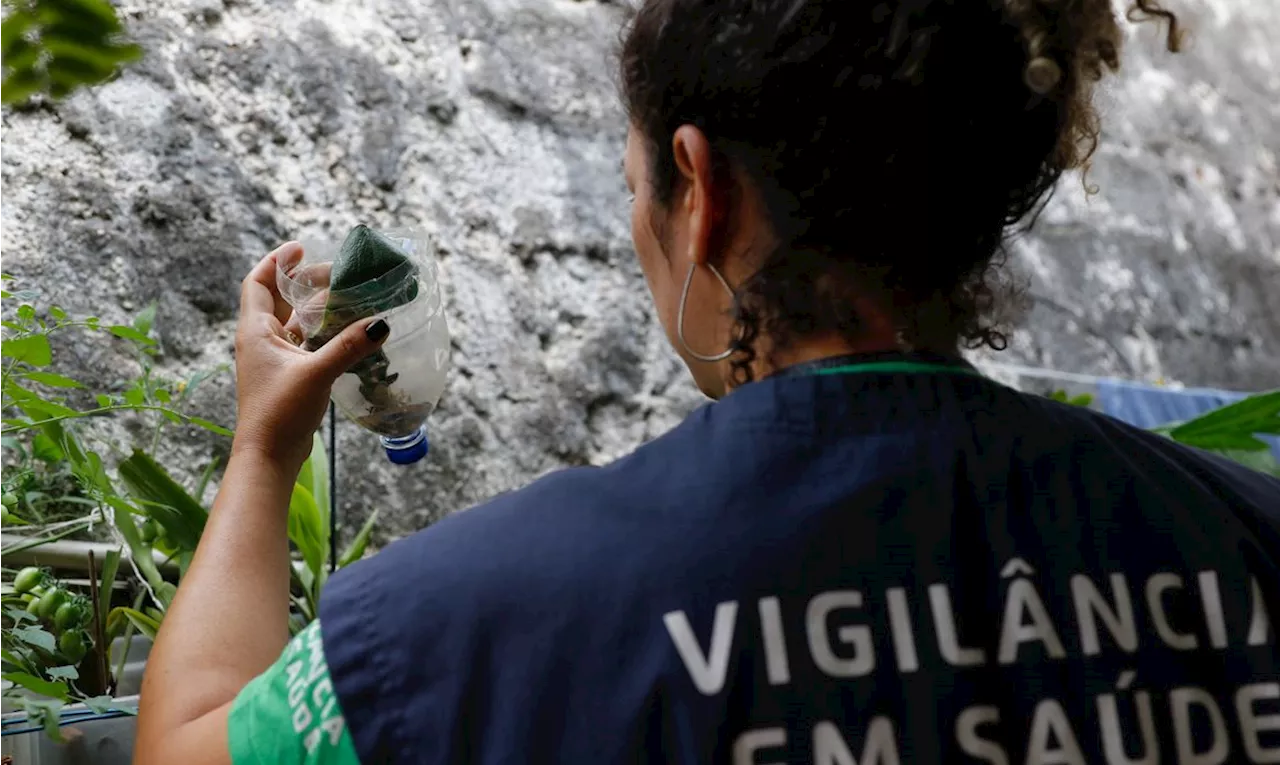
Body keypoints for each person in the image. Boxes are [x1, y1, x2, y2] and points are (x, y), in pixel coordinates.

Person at [134, 0, 1280, 763]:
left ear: (701, 191)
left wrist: (262, 450)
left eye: (639, 185)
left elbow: (186, 740)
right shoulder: (1246, 537)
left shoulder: (456, 626)